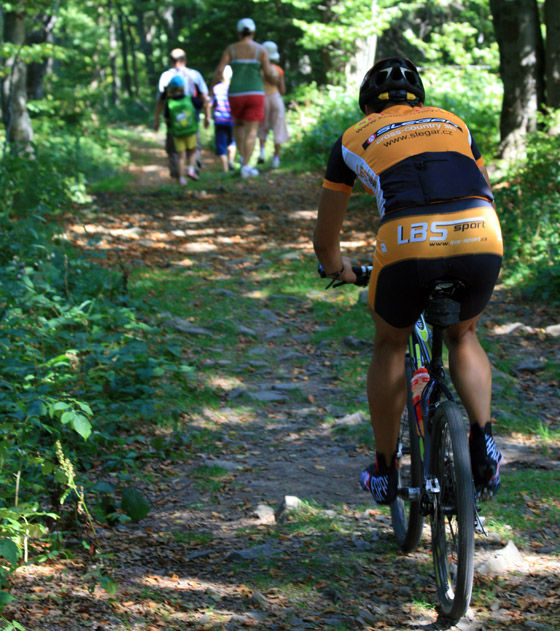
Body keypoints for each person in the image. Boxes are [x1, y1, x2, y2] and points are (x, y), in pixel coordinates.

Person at [313, 57, 504, 505]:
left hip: (407, 241)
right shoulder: (455, 124)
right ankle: (483, 439)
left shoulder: (352, 139)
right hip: (480, 229)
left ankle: (384, 469)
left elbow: (326, 240)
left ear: (367, 107)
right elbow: (483, 184)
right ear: (418, 99)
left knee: (390, 343)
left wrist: (337, 268)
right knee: (464, 335)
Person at [211, 18, 277, 178]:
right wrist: (275, 79)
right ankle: (246, 166)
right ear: (253, 32)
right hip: (255, 92)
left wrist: (210, 90)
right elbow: (269, 72)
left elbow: (220, 71)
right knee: (252, 130)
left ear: (239, 32)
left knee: (238, 126)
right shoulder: (260, 50)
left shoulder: (231, 49)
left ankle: (242, 159)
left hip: (235, 93)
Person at [153, 48, 211, 180]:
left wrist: (157, 119)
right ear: (185, 60)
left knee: (174, 149)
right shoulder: (194, 75)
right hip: (192, 118)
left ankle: (177, 174)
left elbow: (160, 100)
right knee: (194, 146)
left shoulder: (166, 76)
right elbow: (204, 97)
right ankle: (193, 169)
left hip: (173, 120)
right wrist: (208, 116)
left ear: (171, 61)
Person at [257, 41, 289, 169]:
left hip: (263, 99)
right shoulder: (278, 70)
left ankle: (262, 151)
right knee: (278, 128)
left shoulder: (259, 70)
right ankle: (276, 158)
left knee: (262, 126)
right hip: (276, 98)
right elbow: (282, 90)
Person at [166, 75, 199, 185]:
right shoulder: (189, 98)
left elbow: (167, 119)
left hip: (177, 133)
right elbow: (201, 105)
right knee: (193, 150)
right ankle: (190, 169)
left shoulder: (169, 103)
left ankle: (181, 179)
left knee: (181, 156)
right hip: (190, 131)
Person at [212, 65, 237, 172]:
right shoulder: (234, 89)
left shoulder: (216, 88)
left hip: (219, 120)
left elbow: (212, 103)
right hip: (231, 120)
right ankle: (231, 161)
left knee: (221, 145)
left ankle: (225, 169)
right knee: (232, 142)